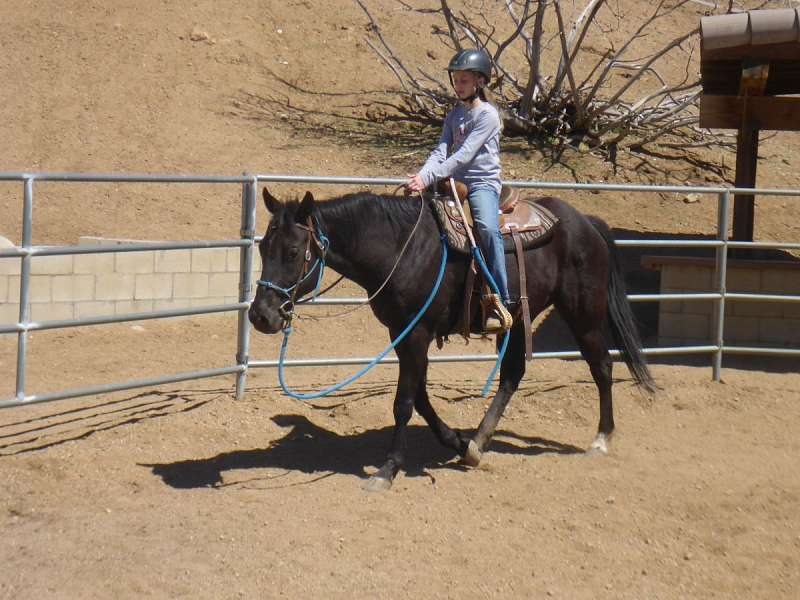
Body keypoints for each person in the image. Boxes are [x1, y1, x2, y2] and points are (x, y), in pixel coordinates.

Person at [406, 48, 512, 331]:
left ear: (479, 81)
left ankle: (501, 297)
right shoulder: (454, 116)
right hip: (452, 183)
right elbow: (441, 152)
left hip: (480, 183)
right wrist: (422, 175)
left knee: (488, 229)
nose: (458, 85)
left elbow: (463, 155)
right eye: (456, 80)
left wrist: (428, 178)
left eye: (464, 80)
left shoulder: (487, 116)